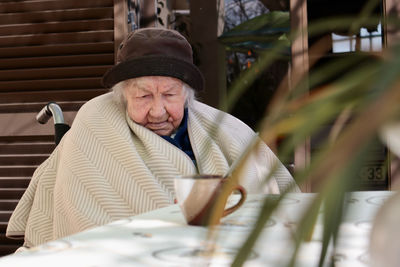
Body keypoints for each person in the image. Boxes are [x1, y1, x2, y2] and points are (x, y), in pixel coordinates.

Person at [7, 27, 299, 248]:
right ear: (122, 96)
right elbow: (86, 215)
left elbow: (267, 186)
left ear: (187, 96)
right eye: (144, 96)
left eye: (170, 95)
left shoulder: (223, 127)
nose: (158, 111)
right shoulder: (95, 122)